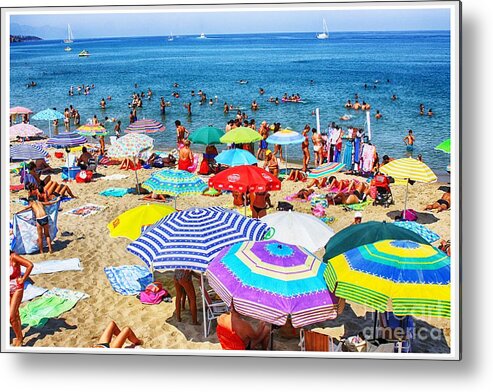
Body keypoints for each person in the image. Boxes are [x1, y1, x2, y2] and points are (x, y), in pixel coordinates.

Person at [10, 251, 34, 346]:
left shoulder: (13, 256)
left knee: (11, 317)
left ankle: (19, 339)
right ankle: (19, 335)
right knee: (15, 313)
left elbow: (30, 265)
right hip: (6, 288)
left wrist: (23, 279)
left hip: (17, 288)